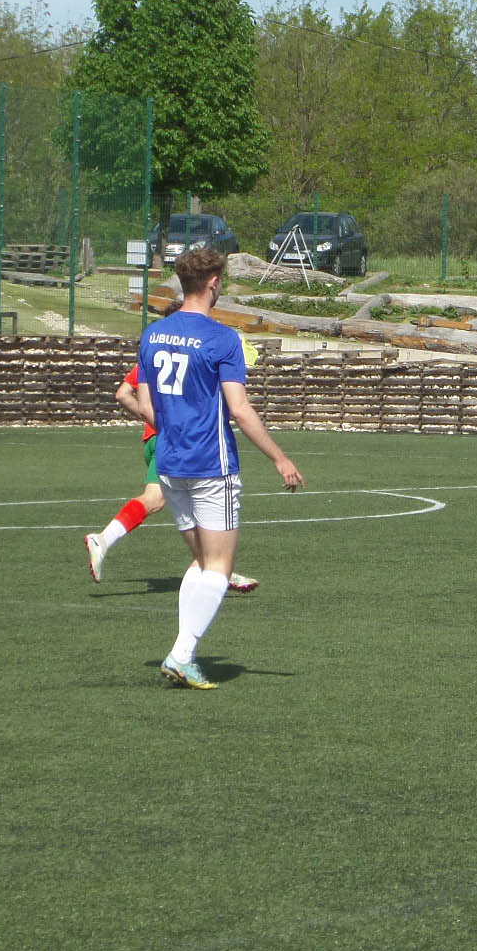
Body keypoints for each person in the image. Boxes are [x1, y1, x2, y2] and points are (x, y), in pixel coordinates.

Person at [137, 247, 303, 690]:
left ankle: (183, 652)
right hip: (212, 464)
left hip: (169, 461)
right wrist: (280, 457)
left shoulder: (153, 334)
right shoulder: (222, 338)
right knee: (219, 568)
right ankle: (181, 655)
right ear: (213, 283)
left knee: (200, 561)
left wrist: (176, 431)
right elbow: (240, 409)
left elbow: (147, 405)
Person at [84, 352, 258, 593]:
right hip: (175, 443)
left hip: (158, 440)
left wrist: (155, 422)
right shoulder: (197, 355)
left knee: (196, 508)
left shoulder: (157, 351)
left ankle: (217, 569)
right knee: (158, 499)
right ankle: (103, 539)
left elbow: (123, 393)